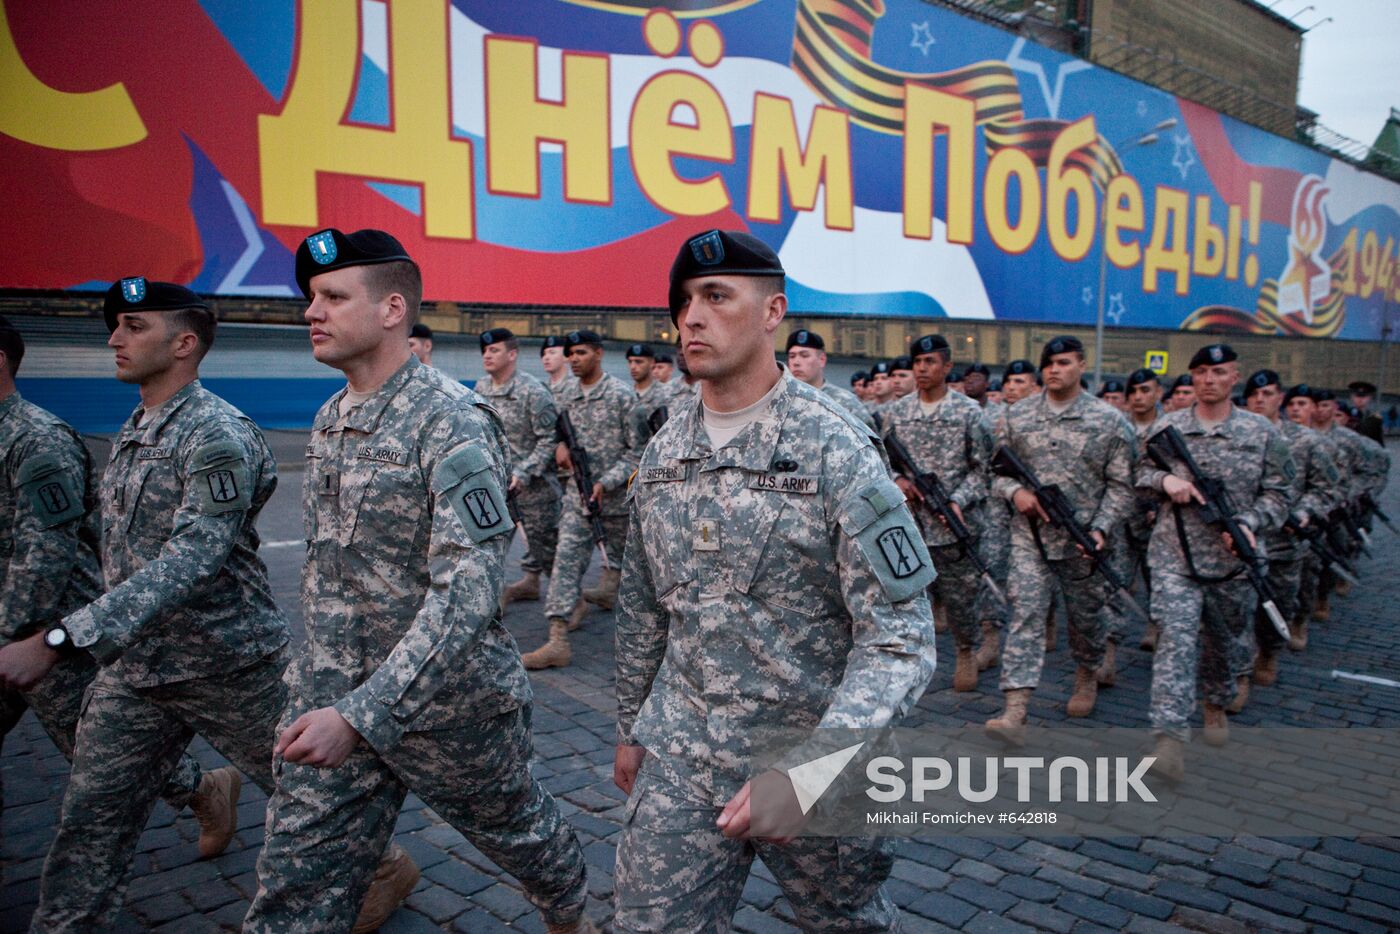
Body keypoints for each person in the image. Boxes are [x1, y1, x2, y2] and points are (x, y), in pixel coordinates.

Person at [244, 228, 590, 933]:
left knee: (522, 835)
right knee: (289, 894)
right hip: (333, 700)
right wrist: (326, 695)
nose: (312, 312)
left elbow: (466, 591)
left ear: (392, 308)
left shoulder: (451, 422)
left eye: (334, 297)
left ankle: (571, 910)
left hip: (448, 710)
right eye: (312, 297)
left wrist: (362, 714)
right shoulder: (330, 418)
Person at [613, 229, 936, 930]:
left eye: (716, 296)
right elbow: (642, 602)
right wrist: (630, 725)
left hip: (812, 754)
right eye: (684, 301)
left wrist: (812, 772)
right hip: (683, 752)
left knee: (844, 921)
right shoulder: (666, 449)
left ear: (772, 312)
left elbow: (902, 639)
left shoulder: (837, 446)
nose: (691, 316)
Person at [29, 279, 299, 931]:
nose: (114, 338)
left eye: (133, 325)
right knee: (89, 827)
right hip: (135, 671)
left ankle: (382, 869)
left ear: (183, 343)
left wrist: (63, 636)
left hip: (225, 661)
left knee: (316, 799)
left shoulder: (215, 435)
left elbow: (193, 557)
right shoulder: (137, 425)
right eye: (115, 325)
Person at [0, 316, 229, 867]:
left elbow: (47, 552)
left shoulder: (35, 439)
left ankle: (203, 789)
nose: (112, 340)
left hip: (53, 632)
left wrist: (22, 636)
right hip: (29, 633)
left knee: (102, 753)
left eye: (131, 327)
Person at [1137, 345, 1293, 781]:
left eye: (1218, 372)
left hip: (1232, 561)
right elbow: (1137, 475)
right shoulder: (1168, 427)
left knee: (1224, 644)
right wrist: (1165, 480)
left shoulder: (1260, 433)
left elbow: (1281, 493)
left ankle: (1216, 701)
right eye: (1201, 371)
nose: (1208, 379)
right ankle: (1168, 739)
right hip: (1175, 556)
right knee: (1175, 639)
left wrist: (1249, 521)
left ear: (1234, 377)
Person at [984, 336, 1135, 743]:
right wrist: (1017, 494)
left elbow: (1122, 486)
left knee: (1086, 620)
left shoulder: (1108, 420)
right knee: (1026, 614)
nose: (1054, 369)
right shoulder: (1018, 417)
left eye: (1064, 362)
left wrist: (1101, 527)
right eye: (1049, 363)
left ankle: (1087, 672)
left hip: (1084, 543)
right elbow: (996, 473)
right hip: (1030, 537)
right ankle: (1015, 708)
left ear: (1081, 365)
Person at [882, 333, 994, 691]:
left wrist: (959, 499)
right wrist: (898, 479)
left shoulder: (968, 413)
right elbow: (882, 460)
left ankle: (964, 650)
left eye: (930, 362)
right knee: (906, 597)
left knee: (961, 598)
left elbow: (983, 469)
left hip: (953, 524)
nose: (922, 369)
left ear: (947, 366)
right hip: (909, 522)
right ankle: (911, 660)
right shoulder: (896, 413)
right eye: (917, 362)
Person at [521, 330, 638, 668]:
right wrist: (559, 447)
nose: (573, 359)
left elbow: (639, 451)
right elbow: (553, 433)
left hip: (616, 505)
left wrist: (607, 481)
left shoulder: (621, 397)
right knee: (565, 562)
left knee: (638, 569)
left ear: (598, 354)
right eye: (570, 353)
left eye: (581, 353)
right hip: (577, 498)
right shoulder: (563, 395)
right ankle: (557, 637)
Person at [1243, 372, 1338, 686]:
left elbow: (1326, 488)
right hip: (1239, 542)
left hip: (1284, 541)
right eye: (1255, 394)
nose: (1260, 399)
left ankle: (1268, 652)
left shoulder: (1305, 440)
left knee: (1279, 604)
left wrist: (1303, 513)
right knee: (1235, 611)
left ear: (1278, 398)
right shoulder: (1235, 436)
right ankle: (1238, 673)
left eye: (1267, 393)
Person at [475, 327, 562, 610]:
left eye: (494, 350)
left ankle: (568, 604)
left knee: (545, 552)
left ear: (512, 355)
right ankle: (490, 606)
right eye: (485, 350)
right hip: (496, 487)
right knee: (488, 548)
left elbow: (549, 439)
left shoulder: (533, 392)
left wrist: (524, 473)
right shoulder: (480, 389)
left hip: (533, 491)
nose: (487, 355)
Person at [1123, 368, 1165, 650]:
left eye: (1145, 390)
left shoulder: (1168, 430)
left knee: (1156, 578)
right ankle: (1109, 650)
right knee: (1116, 579)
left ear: (1158, 393)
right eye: (1134, 391)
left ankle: (1156, 623)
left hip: (1156, 519)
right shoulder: (1117, 425)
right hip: (1122, 515)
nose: (1138, 397)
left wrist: (1158, 507)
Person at [785, 328, 875, 429]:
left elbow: (870, 441)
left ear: (822, 360)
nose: (796, 362)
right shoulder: (782, 400)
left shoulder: (845, 402)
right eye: (792, 356)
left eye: (804, 355)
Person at [626, 343, 672, 446]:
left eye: (639, 362)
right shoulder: (625, 395)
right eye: (630, 362)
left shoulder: (667, 393)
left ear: (652, 363)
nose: (633, 367)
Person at [540, 334, 576, 402]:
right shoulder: (541, 388)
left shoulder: (576, 387)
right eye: (544, 354)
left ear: (566, 357)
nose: (546, 357)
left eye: (552, 353)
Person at [1348, 380, 1384, 446]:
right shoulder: (1346, 415)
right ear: (1352, 397)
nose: (1360, 399)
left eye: (1363, 396)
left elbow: (1378, 441)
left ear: (1369, 398)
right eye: (1357, 396)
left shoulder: (1373, 419)